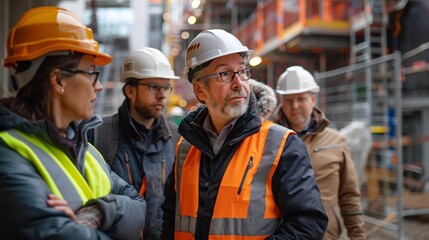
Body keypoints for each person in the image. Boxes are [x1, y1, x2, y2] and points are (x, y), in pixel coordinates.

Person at [161, 29, 328, 239]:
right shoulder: (185, 149)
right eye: (224, 74)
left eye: (242, 71)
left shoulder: (281, 145)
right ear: (200, 91)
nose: (239, 83)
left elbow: (308, 225)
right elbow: (170, 218)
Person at [0, 6, 145, 239]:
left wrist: (99, 213)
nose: (98, 86)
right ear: (58, 80)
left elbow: (139, 204)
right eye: (90, 72)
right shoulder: (8, 155)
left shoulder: (87, 151)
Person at [91, 47, 180, 239]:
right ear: (130, 91)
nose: (162, 95)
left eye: (166, 87)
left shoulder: (177, 138)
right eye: (153, 87)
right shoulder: (98, 134)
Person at [271, 66, 365, 239]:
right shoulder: (269, 140)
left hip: (326, 234)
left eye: (301, 99)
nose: (295, 106)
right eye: (289, 100)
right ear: (281, 102)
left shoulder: (336, 142)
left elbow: (349, 195)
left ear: (313, 99)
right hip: (284, 234)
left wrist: (358, 236)